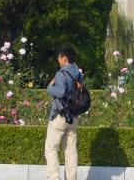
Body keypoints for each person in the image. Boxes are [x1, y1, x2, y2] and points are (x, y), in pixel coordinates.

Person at [45, 45, 82, 180]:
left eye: (59, 56)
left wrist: (49, 87)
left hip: (60, 115)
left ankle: (54, 178)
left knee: (51, 149)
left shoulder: (61, 73)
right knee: (71, 151)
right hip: (73, 116)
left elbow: (59, 92)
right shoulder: (78, 73)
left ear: (65, 59)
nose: (58, 59)